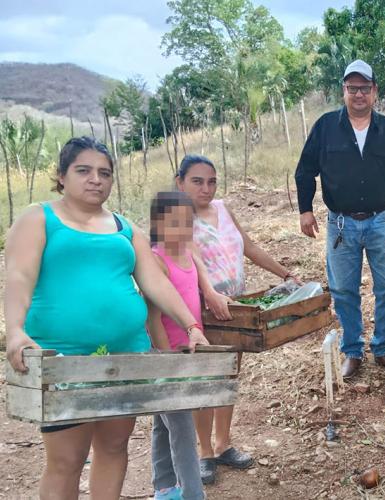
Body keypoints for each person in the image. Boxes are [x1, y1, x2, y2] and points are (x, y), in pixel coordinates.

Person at [4, 137, 206, 500]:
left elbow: (155, 282)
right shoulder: (39, 218)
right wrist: (15, 330)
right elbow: (19, 277)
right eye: (83, 171)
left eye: (104, 173)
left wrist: (191, 325)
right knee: (67, 458)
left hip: (126, 355)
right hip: (64, 360)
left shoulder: (124, 228)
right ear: (62, 176)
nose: (95, 179)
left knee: (114, 447)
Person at [176, 154, 297, 484]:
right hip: (205, 312)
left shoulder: (223, 208)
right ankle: (204, 452)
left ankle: (224, 443)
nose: (206, 188)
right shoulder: (178, 218)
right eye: (197, 181)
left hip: (237, 309)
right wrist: (210, 295)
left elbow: (249, 247)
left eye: (212, 181)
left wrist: (284, 272)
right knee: (205, 380)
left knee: (229, 376)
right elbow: (187, 261)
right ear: (180, 183)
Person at [295, 59, 385, 379]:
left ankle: (383, 348)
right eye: (352, 88)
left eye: (364, 88)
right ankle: (352, 350)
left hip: (380, 221)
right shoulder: (325, 127)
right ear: (343, 91)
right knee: (344, 290)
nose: (358, 94)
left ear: (375, 91)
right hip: (340, 224)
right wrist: (305, 209)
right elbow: (305, 169)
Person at [146, 191, 209, 500]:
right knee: (182, 428)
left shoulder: (187, 253)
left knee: (164, 419)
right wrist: (166, 360)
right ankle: (192, 493)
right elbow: (153, 318)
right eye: (174, 224)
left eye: (187, 223)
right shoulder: (156, 260)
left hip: (188, 351)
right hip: (168, 355)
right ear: (158, 223)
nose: (182, 230)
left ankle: (164, 486)